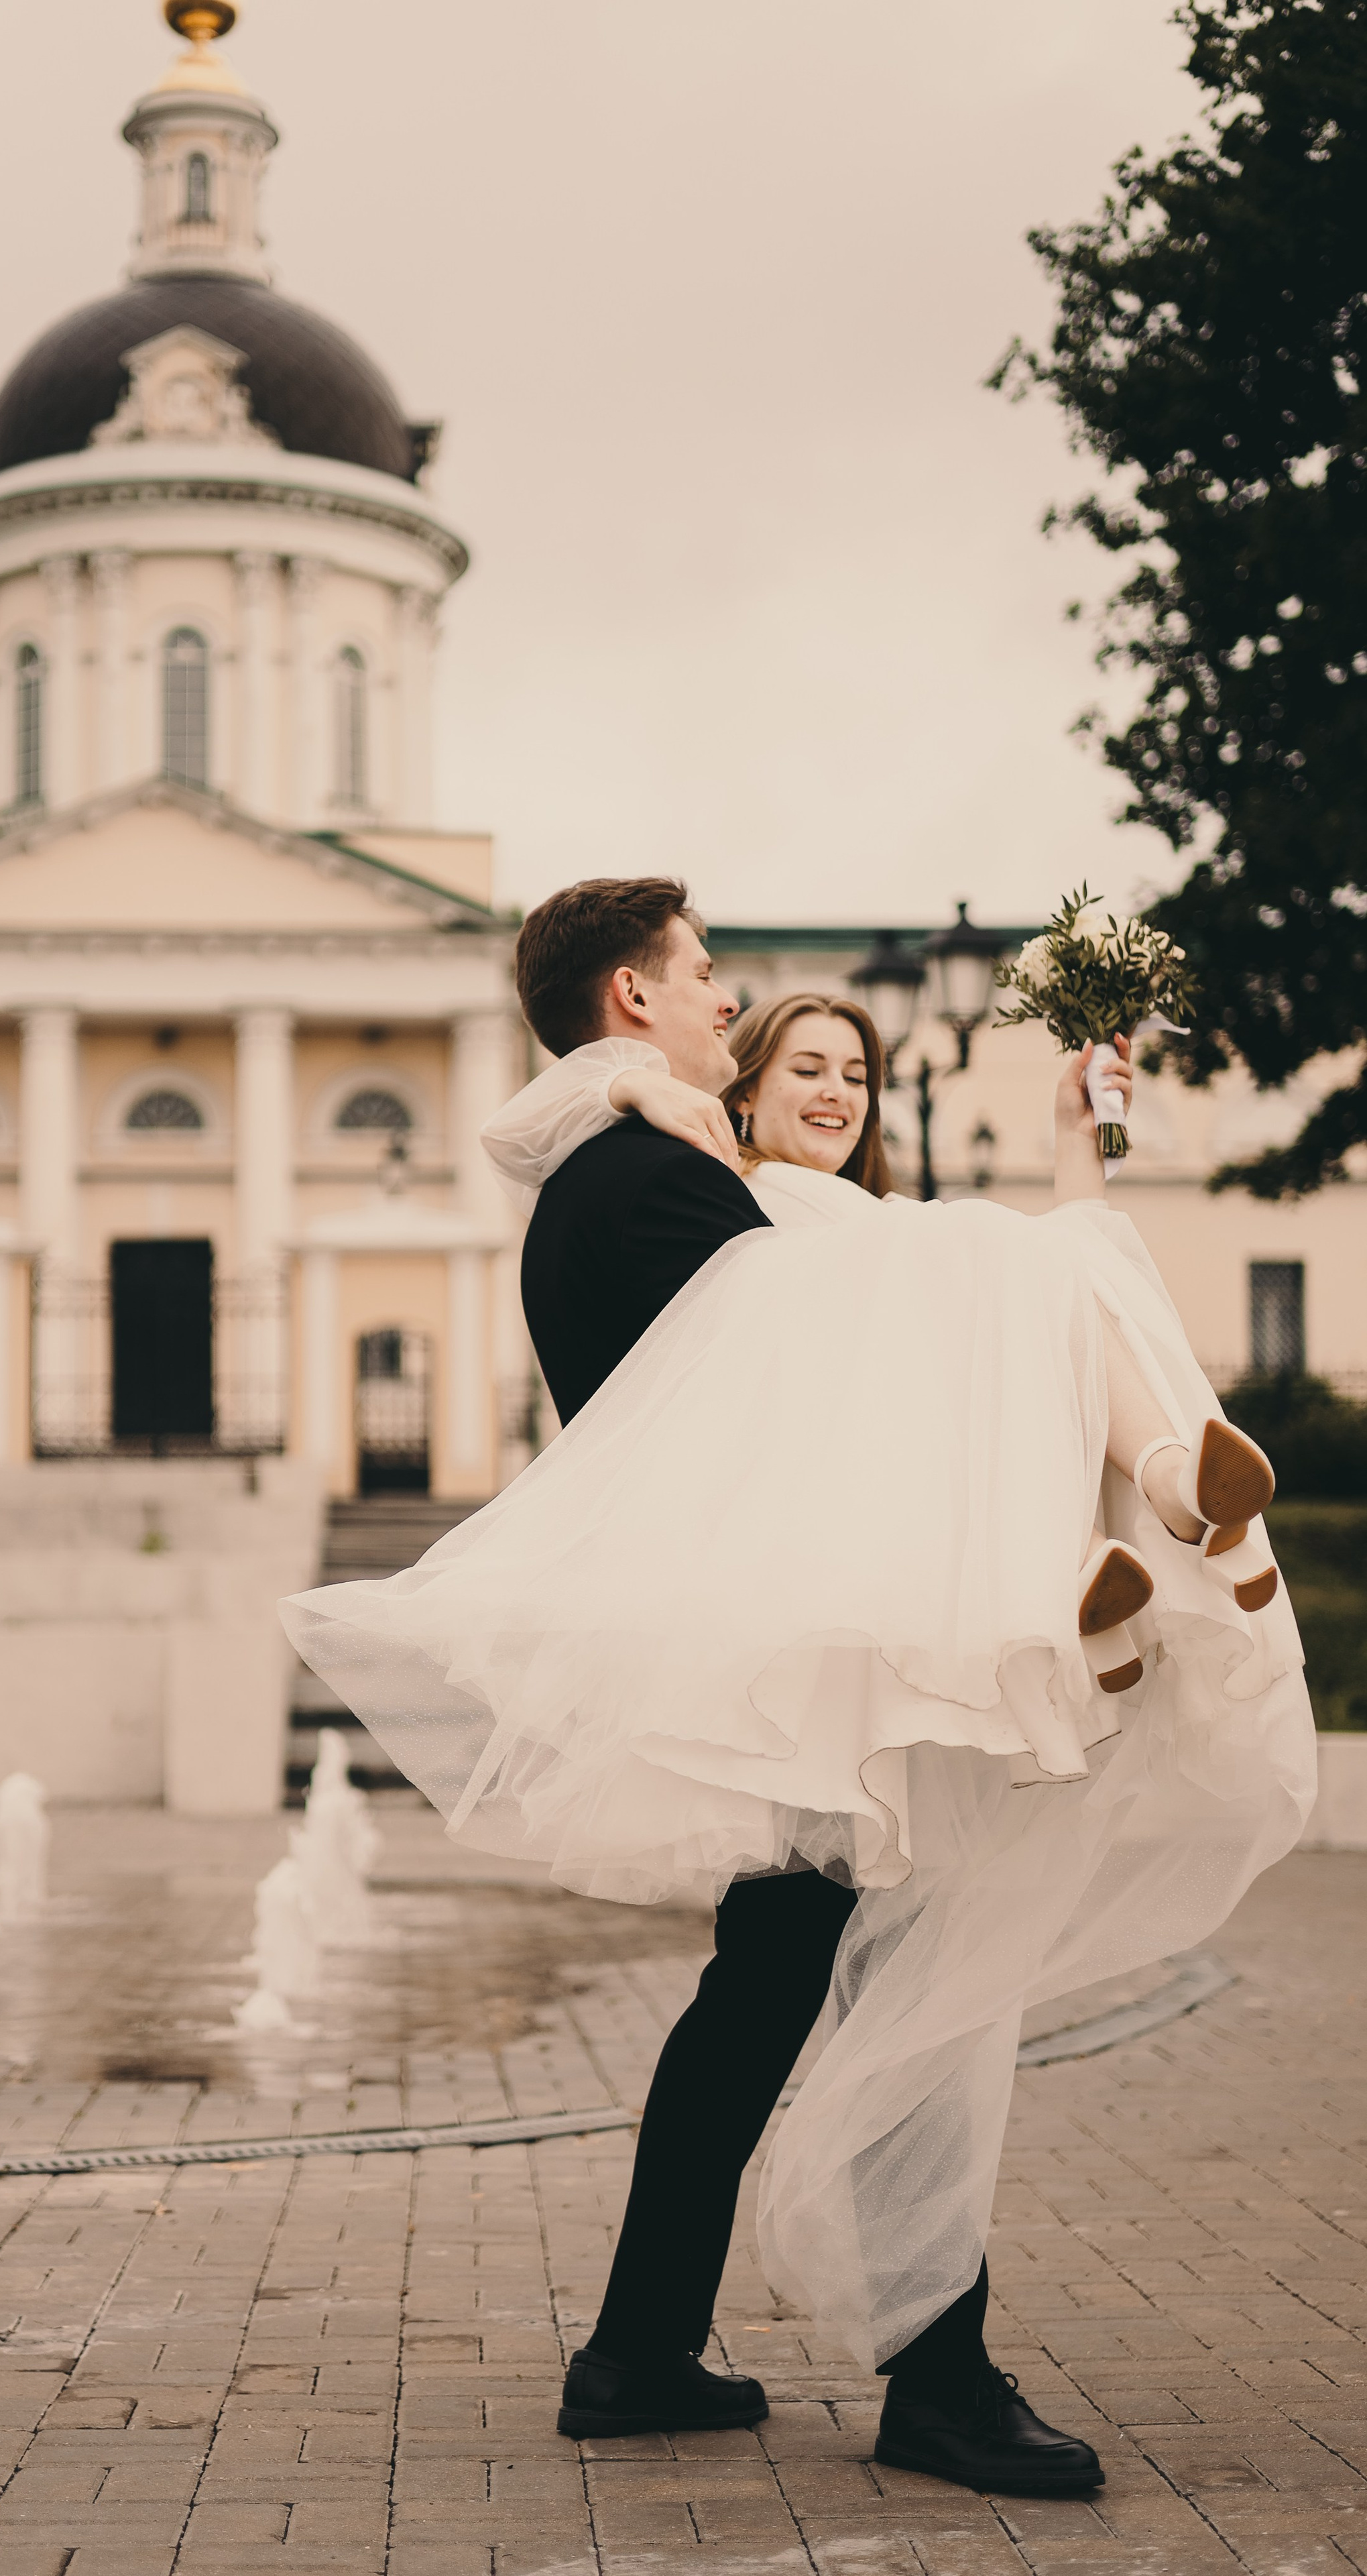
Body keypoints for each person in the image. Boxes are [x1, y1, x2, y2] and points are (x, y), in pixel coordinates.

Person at [282, 877, 1313, 2497]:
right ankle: (932, 2373)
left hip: (800, 1665)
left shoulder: (621, 1159)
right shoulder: (654, 1177)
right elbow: (859, 1367)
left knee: (761, 1993)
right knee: (921, 1982)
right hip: (821, 1679)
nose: (720, 1002)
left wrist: (1056, 1158)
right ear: (632, 996)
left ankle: (638, 2352)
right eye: (699, 980)